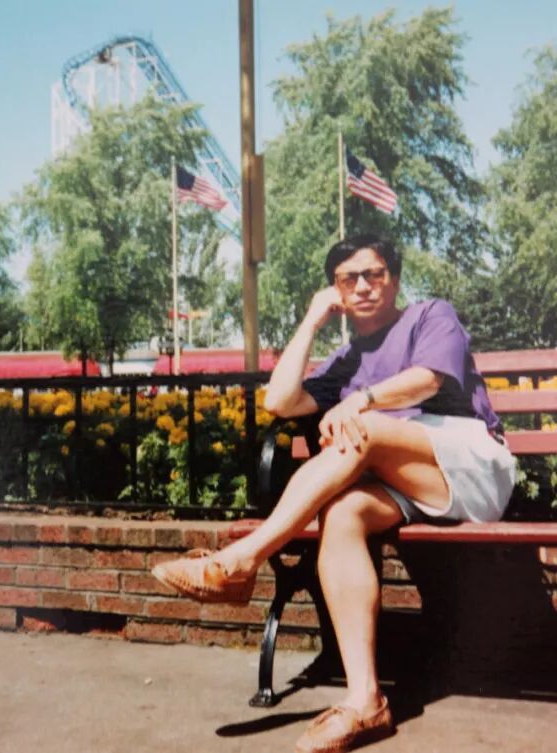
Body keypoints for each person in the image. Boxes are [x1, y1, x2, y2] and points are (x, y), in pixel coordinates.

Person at [153, 234, 516, 753]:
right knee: (342, 514)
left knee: (359, 430)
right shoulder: (345, 359)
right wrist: (310, 322)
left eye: (375, 274)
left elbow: (427, 381)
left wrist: (361, 401)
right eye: (349, 279)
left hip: (468, 466)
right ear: (336, 291)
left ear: (394, 279)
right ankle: (366, 702)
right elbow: (280, 402)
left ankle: (240, 561)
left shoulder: (430, 316)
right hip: (404, 484)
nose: (363, 286)